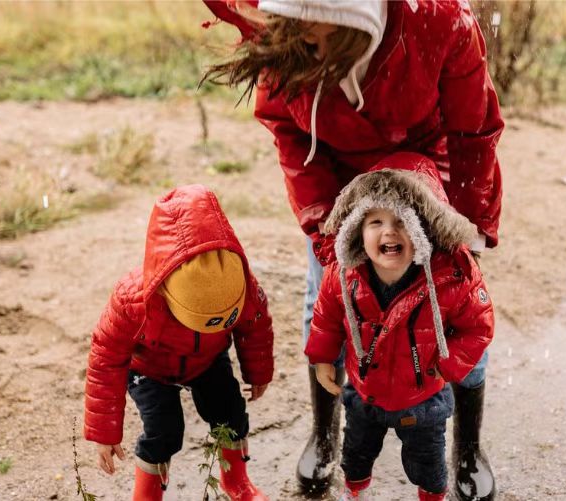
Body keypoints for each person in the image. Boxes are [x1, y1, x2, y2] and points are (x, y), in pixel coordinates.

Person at [202, 2, 503, 498]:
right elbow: (288, 128)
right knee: (325, 297)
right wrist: (326, 228)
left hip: (424, 174)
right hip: (336, 177)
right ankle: (325, 435)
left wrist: (465, 227)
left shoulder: (441, 20)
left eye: (315, 35)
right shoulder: (287, 35)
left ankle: (467, 445)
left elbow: (474, 130)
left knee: (455, 300)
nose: (302, 42)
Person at [305, 152, 494, 500]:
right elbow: (326, 318)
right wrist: (321, 359)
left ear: (426, 231)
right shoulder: (342, 275)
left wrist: (450, 365)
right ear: (357, 230)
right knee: (356, 457)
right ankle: (355, 491)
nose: (389, 231)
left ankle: (432, 493)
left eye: (402, 221)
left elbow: (478, 326)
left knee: (429, 467)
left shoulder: (452, 278)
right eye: (375, 221)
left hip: (423, 401)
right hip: (364, 395)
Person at [83, 184, 274, 501]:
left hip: (208, 359)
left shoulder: (239, 281)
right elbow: (105, 358)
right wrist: (104, 432)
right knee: (164, 429)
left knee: (230, 412)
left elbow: (255, 325)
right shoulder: (132, 300)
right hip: (149, 368)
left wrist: (258, 372)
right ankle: (147, 496)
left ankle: (236, 482)